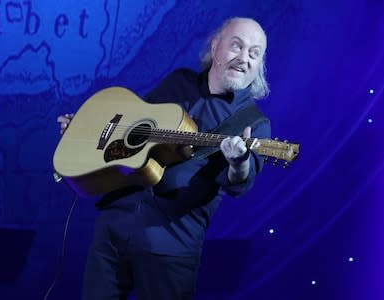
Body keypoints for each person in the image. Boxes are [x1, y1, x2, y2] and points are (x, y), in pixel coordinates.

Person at [57, 17, 271, 300]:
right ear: (216, 45)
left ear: (258, 67)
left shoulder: (253, 122)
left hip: (171, 243)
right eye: (237, 46)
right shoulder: (179, 80)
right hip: (115, 224)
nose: (244, 58)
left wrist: (239, 161)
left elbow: (239, 184)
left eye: (254, 54)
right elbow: (130, 124)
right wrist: (87, 128)